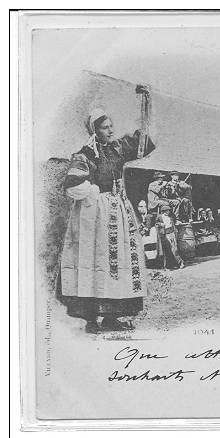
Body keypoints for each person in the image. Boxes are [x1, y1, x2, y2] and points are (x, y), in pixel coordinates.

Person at [59, 94, 154, 333]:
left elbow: (142, 144)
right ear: (94, 130)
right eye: (105, 127)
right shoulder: (85, 155)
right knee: (94, 261)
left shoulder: (117, 149)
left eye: (111, 126)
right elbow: (72, 184)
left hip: (118, 213)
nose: (110, 130)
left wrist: (146, 105)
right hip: (95, 216)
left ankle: (113, 317)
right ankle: (91, 319)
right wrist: (94, 194)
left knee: (118, 262)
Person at [156, 204, 184, 269]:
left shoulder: (170, 217)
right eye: (167, 211)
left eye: (168, 211)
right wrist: (160, 224)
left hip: (171, 234)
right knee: (166, 250)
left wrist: (177, 223)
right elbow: (156, 223)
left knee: (174, 249)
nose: (168, 212)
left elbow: (174, 223)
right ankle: (167, 266)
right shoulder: (160, 217)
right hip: (164, 234)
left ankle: (180, 262)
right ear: (164, 211)